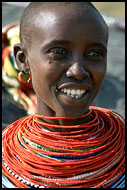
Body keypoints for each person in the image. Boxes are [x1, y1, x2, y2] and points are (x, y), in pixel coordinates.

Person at [2, 2, 125, 188]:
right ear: (23, 60)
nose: (78, 71)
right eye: (58, 52)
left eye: (95, 53)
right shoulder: (7, 156)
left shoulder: (119, 148)